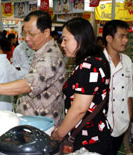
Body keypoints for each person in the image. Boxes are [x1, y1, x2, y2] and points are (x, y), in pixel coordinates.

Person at [0, 10, 65, 125]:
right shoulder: (42, 52)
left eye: (32, 34)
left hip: (42, 124)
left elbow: (28, 85)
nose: (27, 38)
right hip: (34, 121)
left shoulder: (50, 57)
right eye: (25, 33)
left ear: (46, 32)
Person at [51, 18, 112, 154]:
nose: (62, 44)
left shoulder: (88, 65)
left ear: (80, 38)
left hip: (88, 140)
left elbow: (79, 109)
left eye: (65, 39)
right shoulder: (97, 60)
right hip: (93, 135)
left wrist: (59, 134)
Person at [102, 20, 133, 155]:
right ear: (109, 38)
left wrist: (129, 115)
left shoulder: (127, 60)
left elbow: (129, 90)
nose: (125, 40)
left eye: (127, 36)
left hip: (122, 122)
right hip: (101, 125)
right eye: (122, 36)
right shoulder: (97, 61)